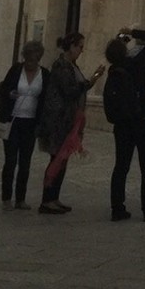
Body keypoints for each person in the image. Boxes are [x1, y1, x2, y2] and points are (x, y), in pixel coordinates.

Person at [36, 32, 105, 215]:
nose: (82, 51)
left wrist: (94, 78)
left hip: (69, 120)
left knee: (63, 159)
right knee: (56, 159)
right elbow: (70, 90)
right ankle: (47, 199)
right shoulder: (61, 66)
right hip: (58, 120)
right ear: (72, 46)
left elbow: (79, 88)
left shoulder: (71, 66)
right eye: (80, 47)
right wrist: (89, 81)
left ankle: (54, 197)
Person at [103, 26, 145, 223]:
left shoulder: (113, 70)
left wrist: (120, 41)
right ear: (125, 50)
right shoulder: (137, 64)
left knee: (121, 166)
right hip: (142, 121)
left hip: (122, 124)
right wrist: (132, 32)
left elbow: (116, 52)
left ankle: (117, 209)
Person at [0, 41, 49, 209]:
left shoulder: (44, 74)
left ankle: (20, 199)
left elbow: (46, 98)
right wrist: (10, 94)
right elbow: (3, 89)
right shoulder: (16, 70)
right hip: (12, 120)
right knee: (10, 160)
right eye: (28, 60)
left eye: (34, 60)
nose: (30, 64)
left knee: (25, 161)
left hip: (30, 122)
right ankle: (6, 197)